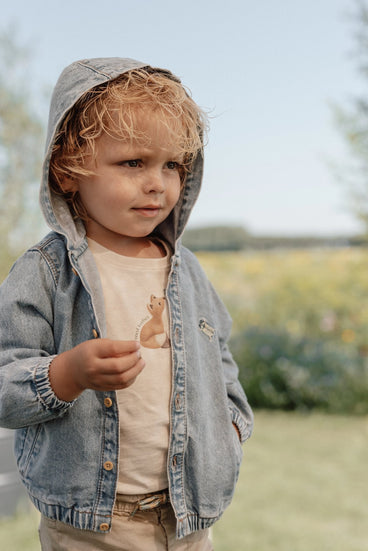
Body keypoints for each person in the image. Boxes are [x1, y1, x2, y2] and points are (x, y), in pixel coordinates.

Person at [0, 57, 253, 550]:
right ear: (68, 168)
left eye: (172, 165)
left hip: (187, 516)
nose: (157, 183)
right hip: (89, 524)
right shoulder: (46, 271)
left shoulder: (186, 269)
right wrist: (67, 374)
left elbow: (220, 359)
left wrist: (230, 428)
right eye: (133, 162)